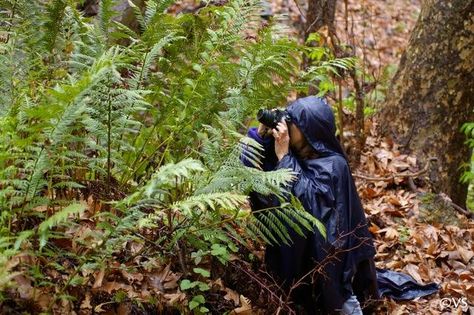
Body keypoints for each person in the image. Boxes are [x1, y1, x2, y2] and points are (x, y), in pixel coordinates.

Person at [241, 96, 380, 314]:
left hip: (329, 265)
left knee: (339, 302)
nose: (286, 126)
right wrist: (258, 136)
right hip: (290, 261)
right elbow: (242, 170)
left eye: (292, 122)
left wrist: (285, 158)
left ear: (309, 130)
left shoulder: (335, 165)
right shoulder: (284, 152)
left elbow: (311, 205)